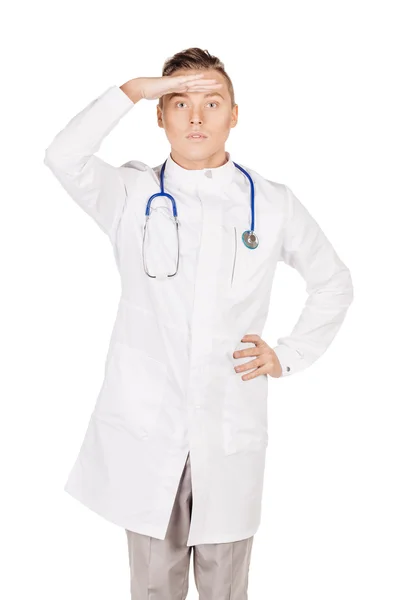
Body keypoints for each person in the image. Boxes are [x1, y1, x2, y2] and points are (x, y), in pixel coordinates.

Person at [43, 47, 354, 599]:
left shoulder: (273, 204)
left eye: (212, 103)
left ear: (234, 115)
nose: (195, 117)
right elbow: (64, 156)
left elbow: (333, 282)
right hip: (148, 424)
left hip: (227, 426)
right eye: (179, 102)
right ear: (159, 115)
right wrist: (133, 89)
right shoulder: (130, 194)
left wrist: (287, 354)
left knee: (225, 589)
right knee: (154, 590)